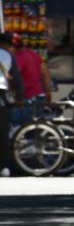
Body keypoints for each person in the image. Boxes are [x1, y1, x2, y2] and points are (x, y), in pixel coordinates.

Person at [0, 34, 24, 177]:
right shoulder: (7, 56)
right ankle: (2, 167)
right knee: (2, 132)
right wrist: (20, 98)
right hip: (1, 94)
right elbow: (17, 80)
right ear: (7, 45)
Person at [11, 33, 53, 103]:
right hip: (38, 96)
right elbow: (45, 74)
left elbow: (13, 76)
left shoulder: (18, 57)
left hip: (26, 99)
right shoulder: (33, 54)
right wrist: (48, 93)